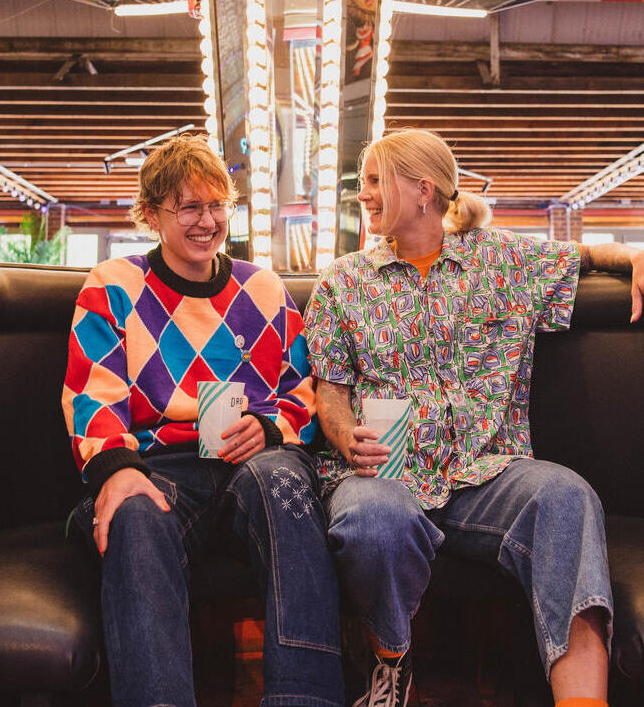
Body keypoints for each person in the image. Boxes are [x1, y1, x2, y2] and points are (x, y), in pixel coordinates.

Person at [304, 128, 644, 707]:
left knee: (568, 496)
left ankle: (583, 700)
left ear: (422, 190)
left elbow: (587, 256)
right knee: (371, 520)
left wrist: (636, 254)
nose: (362, 195)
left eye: (372, 181)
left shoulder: (505, 260)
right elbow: (329, 392)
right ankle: (390, 661)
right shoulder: (343, 280)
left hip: (487, 473)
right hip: (385, 473)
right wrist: (345, 438)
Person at [62, 134, 344, 707]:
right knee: (133, 512)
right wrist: (115, 467)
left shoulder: (264, 288)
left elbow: (302, 393)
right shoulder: (112, 285)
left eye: (216, 205)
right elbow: (92, 392)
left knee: (286, 484)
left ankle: (306, 700)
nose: (206, 221)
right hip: (161, 465)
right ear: (151, 215)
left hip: (255, 464)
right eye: (189, 206)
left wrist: (269, 428)